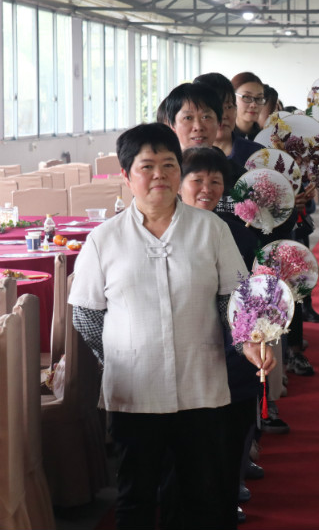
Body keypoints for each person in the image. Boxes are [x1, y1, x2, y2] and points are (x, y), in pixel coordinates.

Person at [69, 123, 276, 529]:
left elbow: (232, 301)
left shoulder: (210, 230)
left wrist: (248, 341)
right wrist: (119, 355)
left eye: (169, 164)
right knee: (136, 495)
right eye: (147, 166)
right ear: (127, 176)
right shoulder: (104, 240)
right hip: (135, 391)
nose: (160, 175)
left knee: (200, 493)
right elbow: (87, 315)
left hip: (201, 387)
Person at [178, 146, 262, 525]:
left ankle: (226, 505)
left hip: (234, 353)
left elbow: (251, 296)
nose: (206, 188)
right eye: (197, 180)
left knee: (230, 438)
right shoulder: (166, 234)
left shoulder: (240, 234)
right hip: (188, 358)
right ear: (179, 184)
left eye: (216, 181)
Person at [231, 71, 267, 140]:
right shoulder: (221, 137)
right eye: (247, 97)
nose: (254, 105)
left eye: (259, 98)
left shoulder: (267, 139)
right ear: (232, 98)